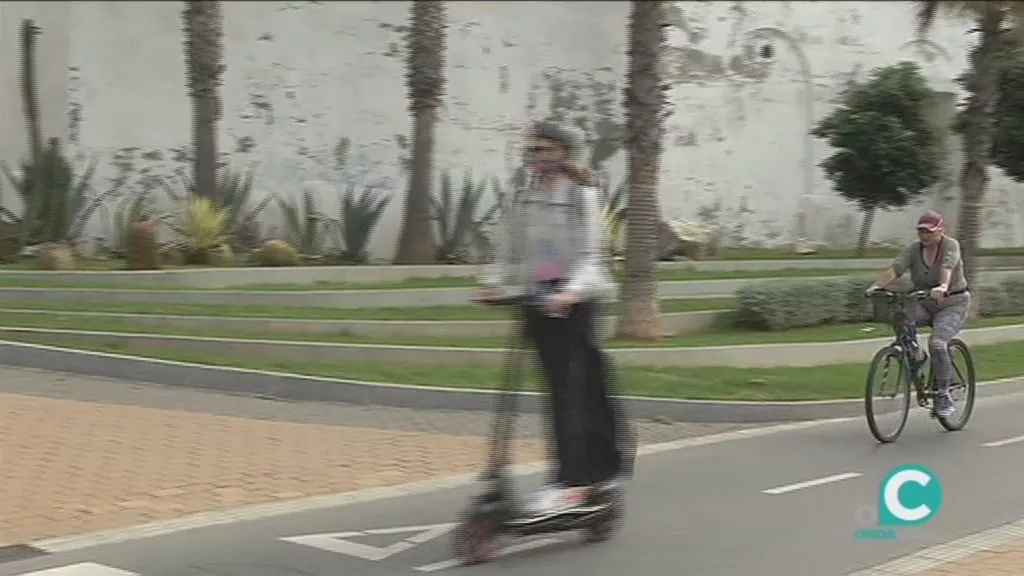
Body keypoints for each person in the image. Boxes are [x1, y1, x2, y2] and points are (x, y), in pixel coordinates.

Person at [475, 121, 634, 518]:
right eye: (534, 150)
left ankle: (572, 484)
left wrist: (570, 292)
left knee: (571, 393)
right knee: (556, 393)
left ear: (565, 153)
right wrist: (493, 283)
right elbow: (509, 249)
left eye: (545, 150)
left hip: (575, 304)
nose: (536, 157)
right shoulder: (524, 196)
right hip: (538, 300)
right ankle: (578, 474)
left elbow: (592, 259)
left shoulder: (582, 195)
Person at [865, 209, 971, 417]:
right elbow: (897, 268)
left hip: (953, 303)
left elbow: (948, 265)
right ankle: (917, 355)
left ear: (941, 230)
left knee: (938, 343)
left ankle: (943, 393)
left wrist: (942, 286)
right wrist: (876, 286)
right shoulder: (914, 249)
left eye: (929, 231)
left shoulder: (951, 245)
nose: (924, 235)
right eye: (921, 231)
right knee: (899, 315)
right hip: (924, 301)